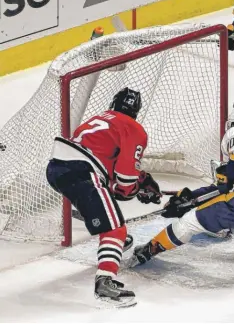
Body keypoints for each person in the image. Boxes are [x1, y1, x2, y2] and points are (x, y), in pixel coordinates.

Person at [129, 107, 234, 289]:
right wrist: (190, 197)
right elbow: (224, 187)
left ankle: (149, 250)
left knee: (189, 222)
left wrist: (223, 179)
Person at [46, 87, 162, 308]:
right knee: (116, 229)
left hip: (56, 170)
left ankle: (106, 234)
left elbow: (106, 166)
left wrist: (142, 180)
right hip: (82, 171)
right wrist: (137, 188)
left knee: (106, 209)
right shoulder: (134, 128)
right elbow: (125, 183)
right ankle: (105, 283)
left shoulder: (98, 119)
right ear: (136, 112)